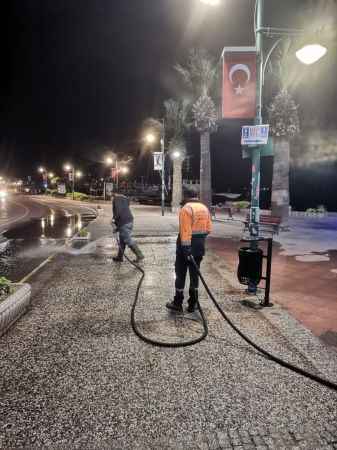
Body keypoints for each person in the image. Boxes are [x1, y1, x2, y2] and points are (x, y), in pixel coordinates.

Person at [166, 196, 212, 313]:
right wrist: (199, 240)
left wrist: (186, 249)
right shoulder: (204, 208)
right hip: (199, 247)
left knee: (180, 274)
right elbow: (208, 230)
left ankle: (178, 303)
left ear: (185, 201)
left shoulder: (186, 209)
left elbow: (185, 231)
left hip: (185, 248)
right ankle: (193, 304)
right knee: (194, 275)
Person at [111, 193, 144, 262]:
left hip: (124, 223)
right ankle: (120, 257)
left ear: (113, 194)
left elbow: (118, 211)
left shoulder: (116, 199)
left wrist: (113, 219)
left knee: (128, 240)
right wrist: (117, 228)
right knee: (122, 241)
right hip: (129, 221)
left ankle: (139, 255)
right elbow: (123, 211)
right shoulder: (125, 199)